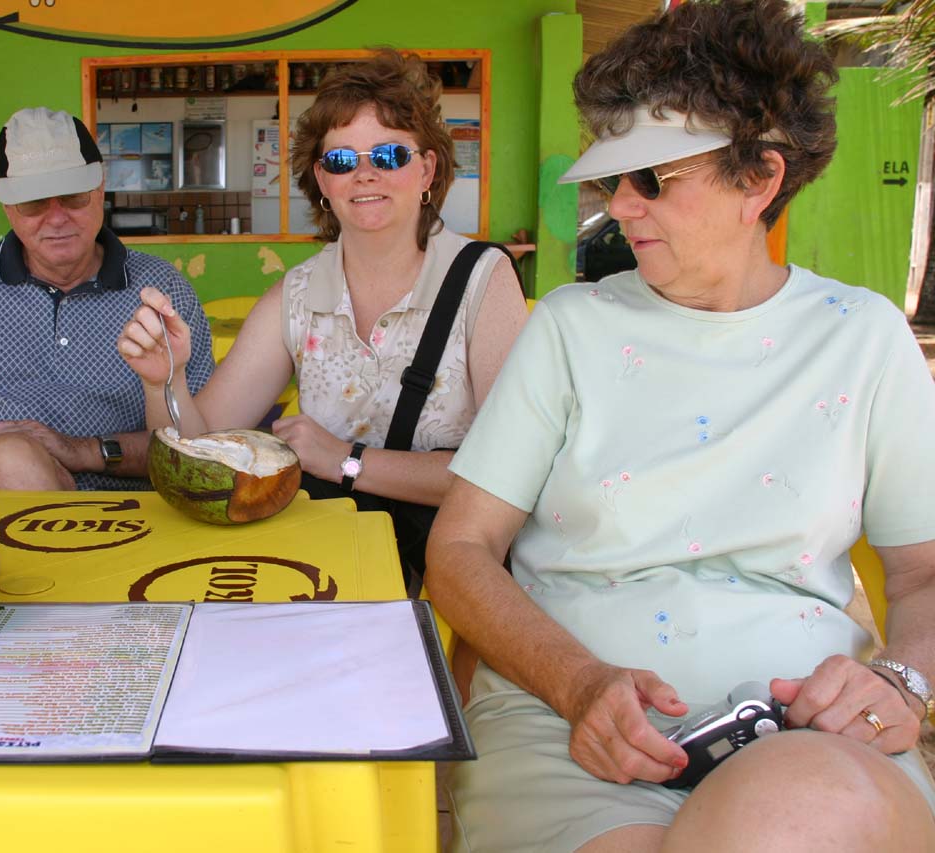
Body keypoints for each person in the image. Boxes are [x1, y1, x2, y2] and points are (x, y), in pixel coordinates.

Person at [426, 1, 935, 849]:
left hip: (810, 725)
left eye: (652, 178)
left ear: (761, 179)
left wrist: (903, 681)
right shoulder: (570, 327)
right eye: (610, 180)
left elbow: (922, 577)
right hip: (568, 721)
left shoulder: (864, 336)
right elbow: (460, 548)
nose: (619, 207)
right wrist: (578, 683)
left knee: (802, 812)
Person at [117, 49, 528, 588]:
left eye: (389, 155)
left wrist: (345, 460)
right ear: (322, 181)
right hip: (323, 575)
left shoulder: (483, 278)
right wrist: (162, 380)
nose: (364, 175)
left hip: (446, 580)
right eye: (341, 161)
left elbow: (510, 476)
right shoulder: (299, 293)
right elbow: (200, 448)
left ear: (427, 169)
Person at [0, 107, 213, 491]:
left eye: (73, 197)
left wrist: (83, 450)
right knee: (13, 461)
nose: (56, 217)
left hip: (127, 514)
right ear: (8, 208)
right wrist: (1, 442)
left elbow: (202, 441)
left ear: (100, 190)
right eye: (33, 203)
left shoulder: (160, 289)